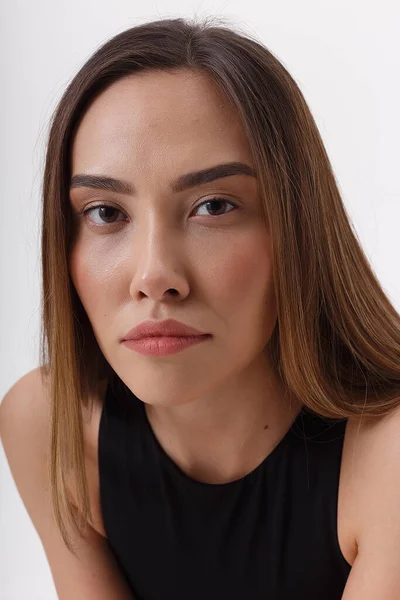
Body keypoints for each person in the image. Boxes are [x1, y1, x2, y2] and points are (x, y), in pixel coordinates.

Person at [1, 15, 400, 600]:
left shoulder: (388, 456)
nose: (154, 277)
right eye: (106, 213)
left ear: (298, 230)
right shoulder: (47, 425)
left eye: (213, 206)